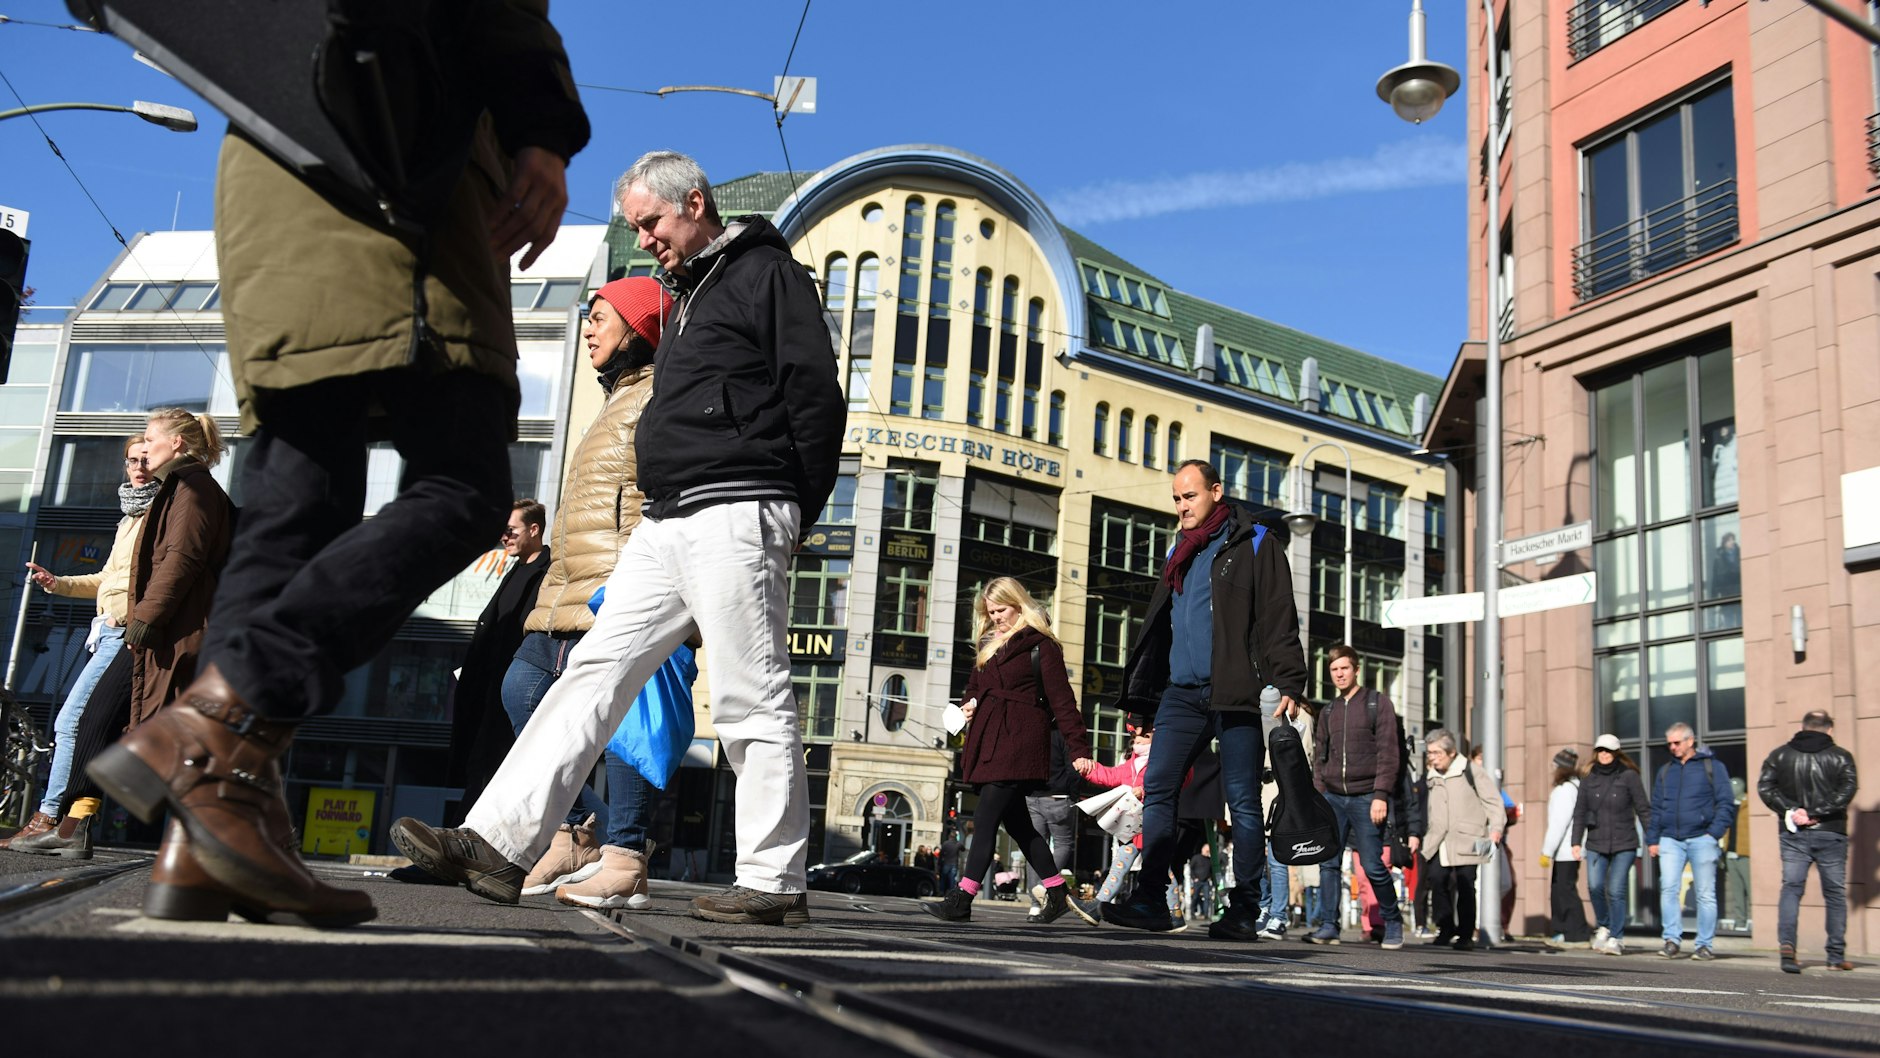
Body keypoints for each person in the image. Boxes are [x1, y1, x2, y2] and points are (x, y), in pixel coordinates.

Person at [83, 2, 590, 927]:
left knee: (293, 504)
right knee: (467, 484)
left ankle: (207, 843)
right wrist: (543, 130)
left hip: (274, 157)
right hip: (403, 173)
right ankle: (222, 721)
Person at [391, 150, 846, 927]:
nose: (646, 240)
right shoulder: (689, 294)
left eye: (653, 222)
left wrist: (795, 508)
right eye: (636, 227)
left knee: (749, 690)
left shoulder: (766, 274)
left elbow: (813, 391)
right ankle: (499, 845)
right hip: (669, 517)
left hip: (740, 504)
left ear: (696, 203)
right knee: (592, 673)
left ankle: (774, 879)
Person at [481, 277, 671, 904]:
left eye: (600, 317)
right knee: (522, 688)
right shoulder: (612, 400)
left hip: (619, 590)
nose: (589, 329)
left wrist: (644, 583)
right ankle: (574, 829)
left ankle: (627, 850)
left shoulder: (659, 395)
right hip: (566, 592)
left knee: (627, 727)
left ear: (639, 328)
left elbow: (655, 497)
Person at [1104, 460, 1308, 939]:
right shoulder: (1181, 550)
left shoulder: (1256, 541)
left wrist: (1291, 683)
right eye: (1176, 498)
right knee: (1157, 788)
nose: (1182, 506)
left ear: (1216, 491)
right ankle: (1151, 900)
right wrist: (1143, 699)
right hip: (1180, 693)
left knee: (1241, 802)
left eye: (1190, 496)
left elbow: (1279, 615)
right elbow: (1161, 627)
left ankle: (1243, 910)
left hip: (1236, 692)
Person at [3, 437, 155, 857]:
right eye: (131, 461)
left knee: (72, 723)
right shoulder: (131, 516)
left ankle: (50, 818)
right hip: (105, 632)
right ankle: (61, 821)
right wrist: (60, 583)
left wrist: (130, 620)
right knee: (80, 726)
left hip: (125, 633)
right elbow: (108, 576)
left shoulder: (158, 513)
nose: (138, 467)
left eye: (146, 458)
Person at [389, 499, 551, 885]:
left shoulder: (546, 572)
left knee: (494, 775)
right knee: (479, 773)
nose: (505, 536)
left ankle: (459, 858)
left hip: (512, 688)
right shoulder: (517, 569)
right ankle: (453, 856)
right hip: (488, 688)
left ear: (534, 529)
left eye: (512, 529)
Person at [927, 578, 1093, 923]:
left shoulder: (1041, 646)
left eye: (1000, 610)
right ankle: (1057, 891)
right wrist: (967, 705)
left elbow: (1064, 702)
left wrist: (1078, 748)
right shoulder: (989, 642)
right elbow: (975, 687)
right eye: (990, 612)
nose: (996, 617)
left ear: (1018, 604)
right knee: (1019, 826)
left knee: (985, 818)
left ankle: (963, 897)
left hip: (1019, 742)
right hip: (988, 739)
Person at [127, 409, 235, 730]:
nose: (144, 449)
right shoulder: (178, 486)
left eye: (150, 440)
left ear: (176, 442)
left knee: (158, 732)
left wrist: (145, 619)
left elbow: (183, 557)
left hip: (180, 632)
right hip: (173, 629)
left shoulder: (193, 488)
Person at [1303, 645, 1404, 949]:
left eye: (1344, 668)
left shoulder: (1377, 703)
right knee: (1328, 864)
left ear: (1356, 669)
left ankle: (1393, 922)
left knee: (1373, 865)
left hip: (1367, 796)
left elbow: (1389, 753)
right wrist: (1319, 796)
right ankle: (1330, 926)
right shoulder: (1329, 711)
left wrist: (1381, 795)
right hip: (1333, 798)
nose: (1339, 674)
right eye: (1334, 670)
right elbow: (1320, 757)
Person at [1757, 711, 1858, 974]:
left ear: (1802, 727)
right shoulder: (1841, 756)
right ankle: (1835, 956)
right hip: (1831, 831)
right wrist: (1817, 812)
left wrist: (1793, 810)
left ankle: (1787, 949)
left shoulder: (1780, 755)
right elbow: (1847, 790)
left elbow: (1765, 788)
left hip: (1793, 833)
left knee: (1791, 888)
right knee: (1834, 894)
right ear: (1830, 729)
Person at [1647, 721, 1735, 960]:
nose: (1673, 747)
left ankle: (1704, 945)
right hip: (1670, 839)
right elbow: (1657, 807)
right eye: (1669, 744)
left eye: (1677, 742)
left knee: (1705, 893)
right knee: (1668, 888)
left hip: (1702, 838)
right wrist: (1653, 838)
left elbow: (1726, 802)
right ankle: (1671, 940)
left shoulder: (1712, 767)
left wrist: (1713, 833)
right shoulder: (1666, 771)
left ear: (1690, 741)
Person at [1416, 728, 1504, 951]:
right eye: (1430, 753)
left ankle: (1465, 935)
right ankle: (1444, 928)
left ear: (1452, 752)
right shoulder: (1431, 775)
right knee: (1437, 880)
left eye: (1437, 753)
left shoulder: (1471, 771)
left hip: (1470, 837)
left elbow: (1493, 801)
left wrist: (1496, 829)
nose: (1432, 758)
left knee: (1466, 883)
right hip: (1438, 838)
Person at [1571, 733, 1650, 955]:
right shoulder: (1588, 778)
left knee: (1616, 889)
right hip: (1596, 841)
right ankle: (1604, 925)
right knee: (1594, 886)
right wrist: (1576, 841)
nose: (1604, 755)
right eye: (1601, 751)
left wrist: (1652, 839)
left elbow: (1643, 808)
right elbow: (1580, 811)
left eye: (1608, 751)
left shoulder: (1629, 776)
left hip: (1624, 841)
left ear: (1616, 753)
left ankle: (1617, 936)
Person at [1024, 730, 1080, 920]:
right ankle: (1043, 885)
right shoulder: (1064, 734)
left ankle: (1034, 903)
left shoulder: (1032, 729)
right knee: (1063, 844)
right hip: (1058, 796)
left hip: (1032, 795)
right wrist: (1074, 795)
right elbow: (1072, 768)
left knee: (1034, 845)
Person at [1539, 747, 1591, 949]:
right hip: (1569, 849)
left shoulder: (1564, 790)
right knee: (1564, 889)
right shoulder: (1576, 787)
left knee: (1564, 891)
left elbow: (1558, 823)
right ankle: (1565, 931)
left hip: (1565, 850)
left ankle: (1574, 933)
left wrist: (1546, 851)